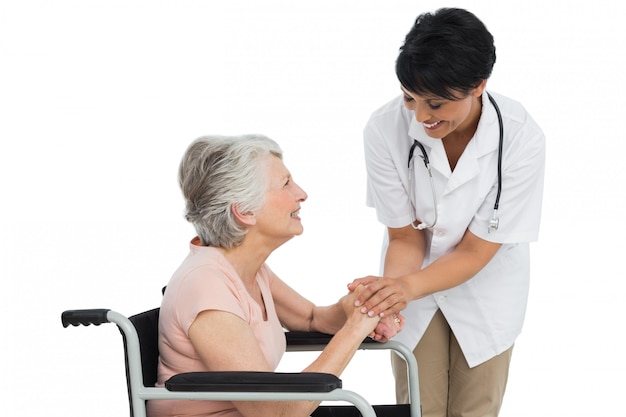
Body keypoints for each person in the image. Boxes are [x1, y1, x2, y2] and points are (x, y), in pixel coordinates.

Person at [348, 8, 545, 417]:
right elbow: (405, 236)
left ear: (478, 85)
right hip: (410, 279)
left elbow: (476, 251)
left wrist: (401, 289)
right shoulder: (384, 128)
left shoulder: (521, 137)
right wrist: (392, 294)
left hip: (487, 287)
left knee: (475, 409)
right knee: (418, 407)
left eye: (435, 103)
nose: (420, 116)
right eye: (409, 98)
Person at [148, 134, 403, 417]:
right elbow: (276, 413)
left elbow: (311, 318)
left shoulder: (249, 270)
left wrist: (359, 306)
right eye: (286, 184)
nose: (302, 193)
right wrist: (356, 328)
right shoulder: (205, 285)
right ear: (244, 211)